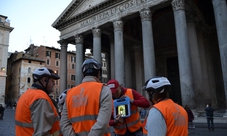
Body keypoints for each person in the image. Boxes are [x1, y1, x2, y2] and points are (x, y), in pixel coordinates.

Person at [60, 58, 112, 136]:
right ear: (98, 74)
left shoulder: (70, 93)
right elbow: (102, 123)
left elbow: (64, 124)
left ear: (83, 75)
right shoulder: (104, 90)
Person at [15, 67, 61, 136]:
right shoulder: (40, 98)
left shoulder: (26, 94)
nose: (54, 84)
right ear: (44, 80)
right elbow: (42, 133)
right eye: (52, 81)